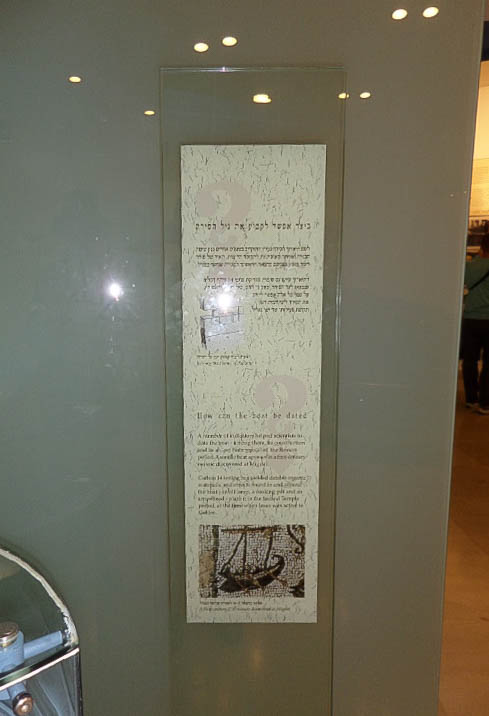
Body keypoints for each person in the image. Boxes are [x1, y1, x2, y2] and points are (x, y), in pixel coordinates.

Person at [462, 233, 489, 414]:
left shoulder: (470, 265)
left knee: (470, 360)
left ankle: (471, 398)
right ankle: (485, 403)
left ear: (482, 246)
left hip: (471, 319)